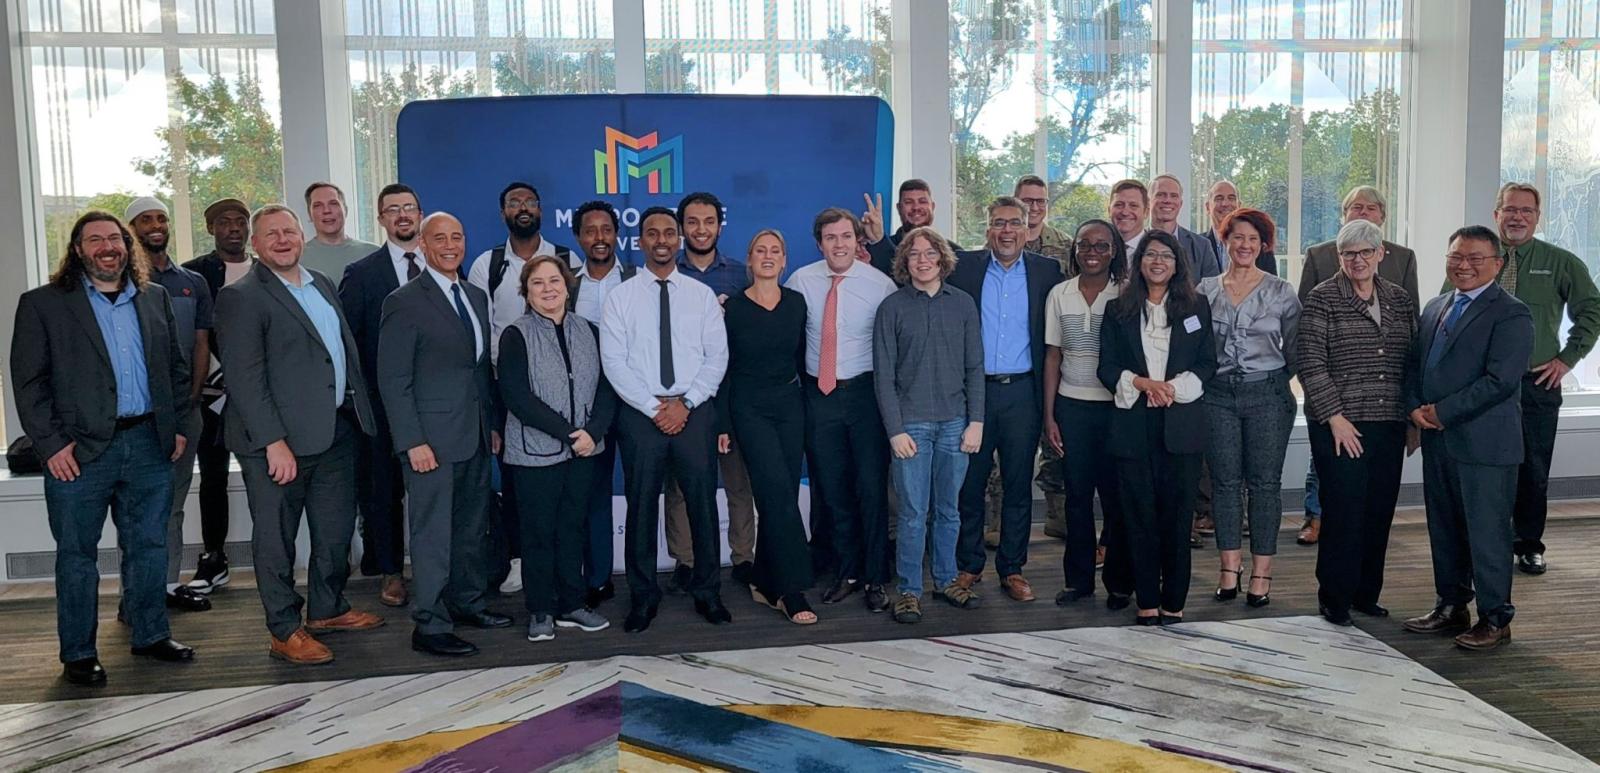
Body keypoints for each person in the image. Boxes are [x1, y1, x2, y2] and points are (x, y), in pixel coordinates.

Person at [12, 211, 197, 685]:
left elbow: (174, 370)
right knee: (77, 554)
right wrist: (52, 446)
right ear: (77, 249)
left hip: (148, 444)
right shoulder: (44, 304)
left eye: (114, 238)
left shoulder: (153, 298)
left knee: (150, 545)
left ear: (127, 246)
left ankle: (151, 634)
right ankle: (78, 652)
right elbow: (29, 384)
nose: (107, 247)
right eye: (95, 240)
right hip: (78, 452)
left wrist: (172, 427)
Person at [215, 205, 384, 665]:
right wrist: (273, 442)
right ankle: (284, 629)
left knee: (333, 532)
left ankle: (327, 609)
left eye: (289, 231)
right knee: (277, 538)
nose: (283, 239)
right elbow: (244, 379)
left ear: (301, 236)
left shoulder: (321, 284)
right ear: (256, 244)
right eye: (272, 234)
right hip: (277, 444)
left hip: (334, 433)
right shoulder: (242, 297)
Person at [378, 212, 510, 657]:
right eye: (440, 238)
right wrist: (412, 441)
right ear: (422, 244)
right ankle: (430, 624)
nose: (450, 245)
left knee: (471, 529)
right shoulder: (404, 300)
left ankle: (467, 603)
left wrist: (490, 425)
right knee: (433, 535)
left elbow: (477, 372)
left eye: (457, 236)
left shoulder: (474, 295)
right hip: (429, 442)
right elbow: (393, 379)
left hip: (473, 435)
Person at [600, 207, 731, 633]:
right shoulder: (620, 297)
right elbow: (614, 363)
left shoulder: (700, 296)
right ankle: (643, 597)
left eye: (669, 233)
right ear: (639, 242)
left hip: (693, 411)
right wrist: (655, 407)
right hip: (641, 413)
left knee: (702, 506)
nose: (661, 240)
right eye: (652, 233)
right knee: (641, 507)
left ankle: (707, 592)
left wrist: (686, 403)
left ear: (678, 240)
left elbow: (717, 357)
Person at [1402, 226, 1533, 651]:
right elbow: (1416, 364)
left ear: (1497, 264)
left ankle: (1495, 619)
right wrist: (1415, 407)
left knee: (1487, 533)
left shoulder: (1511, 313)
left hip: (1485, 445)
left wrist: (1442, 412)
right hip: (1438, 441)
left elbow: (1500, 381)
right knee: (1444, 528)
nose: (1464, 265)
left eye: (1476, 258)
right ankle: (1451, 605)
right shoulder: (1436, 306)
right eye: (1457, 256)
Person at [1296, 218, 1417, 627]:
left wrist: (1412, 415)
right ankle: (1335, 596)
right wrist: (1335, 417)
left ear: (1381, 254)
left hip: (1387, 419)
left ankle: (1367, 593)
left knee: (1378, 511)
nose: (1358, 260)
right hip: (1339, 424)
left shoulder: (1399, 299)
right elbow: (1310, 364)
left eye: (1366, 252)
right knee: (1344, 511)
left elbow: (1410, 359)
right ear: (1339, 257)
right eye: (1350, 254)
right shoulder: (1322, 298)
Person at [1098, 229, 1216, 625]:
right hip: (1133, 422)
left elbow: (1207, 363)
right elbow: (1107, 366)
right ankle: (1146, 597)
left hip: (1180, 422)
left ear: (1177, 262)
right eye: (1150, 254)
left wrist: (1171, 389)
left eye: (1166, 255)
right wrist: (1142, 383)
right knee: (1139, 515)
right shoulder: (1119, 310)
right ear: (1139, 261)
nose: (1158, 261)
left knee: (1178, 516)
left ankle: (1173, 600)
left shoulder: (1196, 306)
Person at [465, 182, 575, 597]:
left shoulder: (566, 258)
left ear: (542, 210)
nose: (523, 208)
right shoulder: (487, 265)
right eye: (514, 203)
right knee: (514, 476)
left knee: (564, 479)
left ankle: (563, 567)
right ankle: (518, 561)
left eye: (530, 201)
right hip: (504, 384)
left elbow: (574, 325)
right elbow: (480, 330)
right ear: (503, 213)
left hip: (561, 384)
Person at [786, 208, 898, 612]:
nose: (839, 245)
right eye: (831, 238)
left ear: (858, 241)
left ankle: (875, 577)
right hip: (820, 395)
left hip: (865, 395)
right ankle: (847, 571)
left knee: (870, 487)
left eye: (846, 237)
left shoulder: (880, 285)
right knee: (832, 489)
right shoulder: (801, 280)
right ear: (820, 243)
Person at [499, 255, 617, 641]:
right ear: (526, 292)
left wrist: (592, 433)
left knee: (572, 528)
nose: (548, 289)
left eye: (555, 281)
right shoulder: (515, 335)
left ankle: (571, 604)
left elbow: (606, 388)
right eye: (538, 283)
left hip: (584, 452)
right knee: (537, 534)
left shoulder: (591, 331)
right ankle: (540, 610)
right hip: (535, 455)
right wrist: (570, 433)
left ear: (568, 286)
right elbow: (516, 396)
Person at [949, 197, 1058, 603]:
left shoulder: (1048, 272)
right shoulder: (965, 269)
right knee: (970, 483)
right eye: (999, 223)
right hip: (975, 393)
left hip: (1022, 394)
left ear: (1028, 227)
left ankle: (1012, 568)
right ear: (988, 229)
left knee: (1017, 485)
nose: (1007, 231)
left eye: (1015, 223)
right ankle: (969, 565)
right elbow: (915, 264)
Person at [873, 227, 985, 624]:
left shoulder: (964, 305)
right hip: (911, 427)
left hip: (956, 424)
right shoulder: (892, 308)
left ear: (943, 259)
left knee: (949, 510)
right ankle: (908, 589)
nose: (922, 260)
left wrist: (976, 422)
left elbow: (975, 367)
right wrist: (895, 430)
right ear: (904, 262)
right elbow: (883, 376)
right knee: (912, 512)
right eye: (914, 254)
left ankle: (946, 578)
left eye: (929, 253)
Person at [1488, 183, 1600, 575]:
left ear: (1537, 217)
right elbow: (1446, 310)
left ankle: (1529, 544)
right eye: (1510, 210)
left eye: (1526, 211)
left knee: (1533, 468)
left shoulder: (1560, 262)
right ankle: (1487, 540)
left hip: (1535, 384)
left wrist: (1568, 360)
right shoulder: (1476, 257)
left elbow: (1592, 310)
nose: (1517, 217)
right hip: (1482, 385)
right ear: (1496, 214)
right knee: (1485, 466)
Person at [1197, 208, 1300, 608]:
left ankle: (1261, 573)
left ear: (1263, 245)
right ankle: (1228, 569)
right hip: (1217, 395)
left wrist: (1271, 382)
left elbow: (1294, 350)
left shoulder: (1281, 291)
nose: (1244, 245)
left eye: (1253, 240)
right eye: (1237, 237)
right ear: (1225, 240)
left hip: (1268, 395)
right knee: (1223, 483)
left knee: (1264, 485)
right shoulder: (1204, 290)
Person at [722, 229, 817, 623]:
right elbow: (724, 369)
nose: (767, 256)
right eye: (759, 249)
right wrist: (724, 423)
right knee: (776, 495)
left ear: (784, 261)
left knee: (783, 492)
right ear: (749, 259)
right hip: (749, 408)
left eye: (774, 250)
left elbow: (801, 360)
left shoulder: (797, 304)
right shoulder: (733, 309)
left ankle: (762, 579)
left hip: (790, 407)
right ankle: (791, 590)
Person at [663, 192, 757, 591]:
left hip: (733, 392)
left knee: (738, 482)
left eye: (709, 221)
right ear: (682, 227)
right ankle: (684, 560)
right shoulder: (666, 274)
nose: (701, 229)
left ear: (720, 225)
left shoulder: (739, 275)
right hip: (683, 397)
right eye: (693, 222)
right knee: (681, 486)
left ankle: (744, 558)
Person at [125, 197, 213, 613]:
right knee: (136, 510)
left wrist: (189, 401)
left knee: (174, 505)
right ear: (132, 229)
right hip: (137, 418)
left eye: (161, 217)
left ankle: (166, 586)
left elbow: (201, 343)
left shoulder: (192, 282)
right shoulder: (122, 285)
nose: (156, 225)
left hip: (184, 412)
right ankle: (134, 594)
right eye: (146, 219)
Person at [337, 182, 423, 609]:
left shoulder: (444, 267)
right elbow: (349, 344)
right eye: (394, 209)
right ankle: (391, 572)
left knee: (434, 489)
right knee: (384, 491)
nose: (403, 215)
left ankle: (433, 568)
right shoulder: (363, 273)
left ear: (420, 214)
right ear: (381, 218)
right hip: (382, 405)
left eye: (409, 208)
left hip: (438, 405)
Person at [1043, 220, 1134, 607]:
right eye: (1084, 245)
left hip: (1116, 409)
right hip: (1071, 408)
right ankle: (1078, 581)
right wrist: (1049, 416)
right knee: (1077, 497)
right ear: (1074, 250)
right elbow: (1053, 356)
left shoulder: (1127, 294)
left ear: (1114, 250)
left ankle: (1118, 584)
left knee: (1116, 499)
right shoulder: (1059, 294)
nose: (1092, 252)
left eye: (1101, 245)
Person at [179, 198, 253, 594]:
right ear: (211, 228)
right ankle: (213, 557)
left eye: (241, 221)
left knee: (267, 475)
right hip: (209, 396)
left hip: (256, 397)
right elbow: (193, 334)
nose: (234, 228)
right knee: (212, 477)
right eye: (224, 221)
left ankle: (276, 552)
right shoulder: (194, 273)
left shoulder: (266, 270)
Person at [568, 200, 635, 608]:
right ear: (578, 237)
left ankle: (644, 577)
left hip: (634, 403)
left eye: (606, 229)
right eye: (590, 230)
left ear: (616, 235)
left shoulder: (638, 280)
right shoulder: (566, 283)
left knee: (641, 488)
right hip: (585, 408)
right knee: (590, 493)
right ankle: (595, 577)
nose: (599, 238)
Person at [1014, 175, 1071, 541]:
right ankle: (998, 523)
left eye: (1041, 201)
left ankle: (1057, 516)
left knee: (1056, 441)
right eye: (1027, 201)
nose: (1034, 207)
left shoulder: (1066, 247)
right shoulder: (998, 244)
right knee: (1006, 452)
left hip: (1055, 356)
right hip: (1013, 357)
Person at [860, 180, 962, 277]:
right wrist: (879, 241)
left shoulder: (953, 252)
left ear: (933, 207)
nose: (916, 207)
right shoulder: (876, 249)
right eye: (908, 202)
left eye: (922, 201)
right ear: (899, 208)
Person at [1149, 174, 1222, 279]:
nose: (1167, 200)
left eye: (1174, 196)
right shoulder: (1136, 244)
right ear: (1148, 201)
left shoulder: (1202, 246)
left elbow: (1213, 291)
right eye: (1160, 195)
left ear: (1180, 203)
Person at [299, 182, 378, 278]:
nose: (326, 210)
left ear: (346, 210)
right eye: (318, 205)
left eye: (333, 203)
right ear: (309, 214)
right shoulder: (299, 258)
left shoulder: (373, 253)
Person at [1202, 180, 1276, 276]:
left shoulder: (1260, 245)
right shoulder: (1196, 245)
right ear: (1208, 207)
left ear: (1239, 206)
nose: (1225, 204)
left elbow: (1272, 286)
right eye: (1219, 198)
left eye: (1231, 198)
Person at [1108, 179, 1150, 254]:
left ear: (1146, 212)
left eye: (1133, 205)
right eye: (1119, 205)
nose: (1125, 212)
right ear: (1109, 210)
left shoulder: (1158, 250)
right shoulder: (1098, 249)